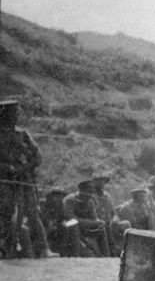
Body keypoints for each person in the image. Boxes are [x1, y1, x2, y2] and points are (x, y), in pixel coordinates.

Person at [0, 100, 56, 259]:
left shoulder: (22, 134)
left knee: (32, 213)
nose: (17, 116)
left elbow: (37, 157)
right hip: (4, 181)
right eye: (14, 113)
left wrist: (21, 169)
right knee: (5, 215)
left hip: (24, 179)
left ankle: (45, 249)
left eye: (17, 113)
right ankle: (6, 250)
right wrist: (7, 168)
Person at [62, 180, 110, 257]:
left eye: (90, 193)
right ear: (81, 191)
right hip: (66, 224)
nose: (88, 196)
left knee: (101, 228)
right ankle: (75, 255)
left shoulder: (90, 202)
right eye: (86, 193)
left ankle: (106, 255)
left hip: (82, 225)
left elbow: (93, 219)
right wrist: (90, 223)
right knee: (74, 226)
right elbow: (70, 218)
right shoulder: (70, 199)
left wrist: (98, 223)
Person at [92, 174, 130, 255]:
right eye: (99, 181)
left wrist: (116, 218)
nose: (102, 183)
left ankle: (126, 251)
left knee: (126, 224)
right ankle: (112, 247)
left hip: (109, 221)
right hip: (98, 221)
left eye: (103, 181)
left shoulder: (107, 196)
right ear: (94, 182)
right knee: (104, 226)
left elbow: (113, 211)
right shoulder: (91, 195)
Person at [40, 187, 82, 257]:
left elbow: (63, 218)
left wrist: (63, 223)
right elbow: (42, 218)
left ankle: (71, 254)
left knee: (69, 229)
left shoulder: (61, 207)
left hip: (56, 227)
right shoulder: (44, 204)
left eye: (60, 196)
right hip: (44, 228)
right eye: (55, 196)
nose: (57, 199)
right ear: (50, 196)